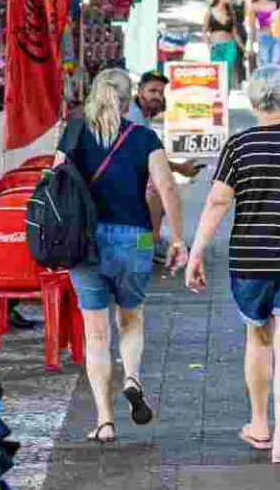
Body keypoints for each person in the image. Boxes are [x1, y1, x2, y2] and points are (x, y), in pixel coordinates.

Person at [185, 65, 280, 465]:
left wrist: (196, 252)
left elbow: (218, 201)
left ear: (254, 102)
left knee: (258, 341)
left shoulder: (238, 146)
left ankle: (259, 424)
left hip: (251, 261)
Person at [57, 69, 188, 443]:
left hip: (85, 241)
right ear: (129, 99)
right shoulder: (144, 137)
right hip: (137, 238)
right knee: (131, 318)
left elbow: (55, 182)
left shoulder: (74, 133)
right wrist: (178, 239)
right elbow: (166, 187)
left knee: (96, 334)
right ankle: (132, 377)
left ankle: (105, 421)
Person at [126, 71, 205, 259]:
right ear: (140, 91)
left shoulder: (143, 113)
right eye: (152, 91)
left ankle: (148, 242)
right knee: (157, 190)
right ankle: (149, 243)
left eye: (160, 92)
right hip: (118, 179)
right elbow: (150, 159)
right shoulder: (134, 116)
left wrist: (178, 168)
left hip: (127, 173)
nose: (157, 96)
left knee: (159, 189)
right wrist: (180, 169)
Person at [205, 0, 245, 79]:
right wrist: (209, 45)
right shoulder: (210, 12)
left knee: (227, 73)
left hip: (229, 46)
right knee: (217, 75)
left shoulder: (231, 13)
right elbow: (204, 32)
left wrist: (244, 49)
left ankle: (228, 89)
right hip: (216, 47)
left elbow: (234, 34)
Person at [245, 0, 280, 68]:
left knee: (277, 65)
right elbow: (252, 27)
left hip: (277, 37)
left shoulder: (277, 3)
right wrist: (251, 46)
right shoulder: (254, 6)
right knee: (265, 65)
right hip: (263, 37)